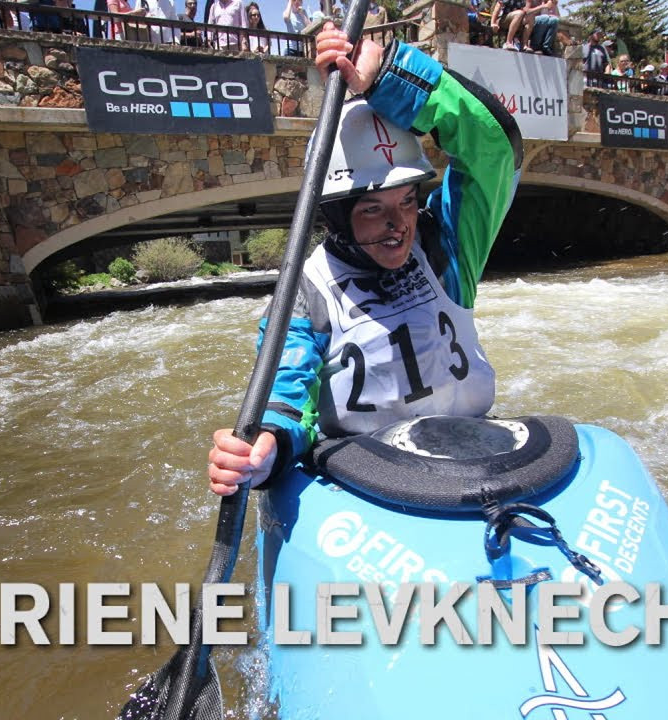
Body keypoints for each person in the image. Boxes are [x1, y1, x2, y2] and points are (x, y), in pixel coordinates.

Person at [207, 21, 523, 496]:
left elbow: (494, 148)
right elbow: (288, 395)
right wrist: (266, 446)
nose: (398, 224)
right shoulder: (305, 291)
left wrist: (392, 78)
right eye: (373, 209)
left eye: (407, 202)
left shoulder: (447, 247)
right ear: (337, 216)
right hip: (371, 481)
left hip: (475, 459)